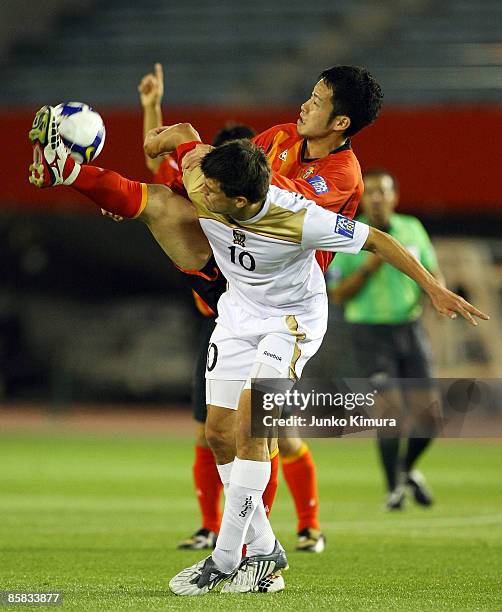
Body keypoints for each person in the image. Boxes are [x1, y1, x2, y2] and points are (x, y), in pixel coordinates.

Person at [28, 109, 488, 595]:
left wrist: (434, 288)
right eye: (201, 184)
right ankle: (265, 549)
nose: (199, 194)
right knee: (218, 433)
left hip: (290, 323)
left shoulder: (299, 217)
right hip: (238, 313)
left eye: (211, 194)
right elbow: (184, 138)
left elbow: (377, 240)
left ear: (243, 200)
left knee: (253, 423)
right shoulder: (204, 174)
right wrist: (138, 144)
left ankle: (225, 558)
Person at [134, 63, 386, 552]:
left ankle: (273, 538)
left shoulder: (334, 175)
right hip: (225, 299)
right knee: (217, 429)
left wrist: (184, 148)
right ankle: (230, 534)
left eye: (318, 99)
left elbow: (269, 207)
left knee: (267, 434)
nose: (305, 103)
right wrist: (156, 120)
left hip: (278, 302)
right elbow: (165, 173)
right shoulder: (281, 138)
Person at [328, 169, 444, 509]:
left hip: (409, 328)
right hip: (370, 333)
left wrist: (439, 294)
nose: (377, 198)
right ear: (363, 199)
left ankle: (406, 471)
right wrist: (371, 265)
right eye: (372, 192)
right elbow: (337, 294)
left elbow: (434, 271)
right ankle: (393, 488)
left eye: (384, 191)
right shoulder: (350, 236)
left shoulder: (412, 228)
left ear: (394, 196)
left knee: (430, 419)